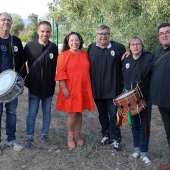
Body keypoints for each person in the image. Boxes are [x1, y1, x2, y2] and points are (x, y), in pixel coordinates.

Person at [88, 25, 126, 150]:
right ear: (96, 35)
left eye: (106, 33)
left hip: (113, 89)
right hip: (97, 90)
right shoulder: (91, 48)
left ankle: (116, 138)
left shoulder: (118, 48)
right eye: (100, 33)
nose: (103, 36)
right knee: (102, 114)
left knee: (114, 114)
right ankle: (106, 134)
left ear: (109, 35)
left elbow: (126, 62)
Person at [55, 31, 94, 150]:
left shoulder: (85, 54)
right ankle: (70, 136)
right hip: (70, 88)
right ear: (67, 42)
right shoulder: (63, 55)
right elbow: (60, 73)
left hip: (83, 88)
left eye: (76, 40)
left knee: (79, 112)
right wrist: (64, 88)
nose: (74, 42)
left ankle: (78, 134)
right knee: (72, 113)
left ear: (80, 41)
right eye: (71, 40)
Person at [23, 21, 58, 148]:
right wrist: (21, 80)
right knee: (32, 112)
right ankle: (29, 137)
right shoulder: (29, 46)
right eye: (42, 31)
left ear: (50, 33)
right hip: (34, 87)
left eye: (48, 31)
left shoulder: (53, 48)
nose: (45, 34)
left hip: (48, 87)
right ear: (38, 31)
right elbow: (21, 64)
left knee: (47, 112)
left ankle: (44, 135)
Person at [122, 36, 153, 164]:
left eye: (138, 44)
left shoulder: (148, 57)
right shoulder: (125, 59)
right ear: (129, 46)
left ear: (142, 45)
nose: (135, 46)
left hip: (144, 97)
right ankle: (137, 150)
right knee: (134, 124)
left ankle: (144, 153)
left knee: (144, 125)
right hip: (130, 97)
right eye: (133, 44)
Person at [0, 12, 24, 151]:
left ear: (11, 22)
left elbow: (21, 63)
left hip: (11, 85)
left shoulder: (16, 41)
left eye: (8, 20)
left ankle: (11, 140)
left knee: (12, 113)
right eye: (3, 20)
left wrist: (21, 83)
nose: (6, 22)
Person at [150, 23, 170, 170]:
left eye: (168, 32)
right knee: (169, 133)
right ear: (158, 37)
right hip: (164, 102)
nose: (164, 35)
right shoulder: (157, 53)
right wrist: (129, 53)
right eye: (162, 33)